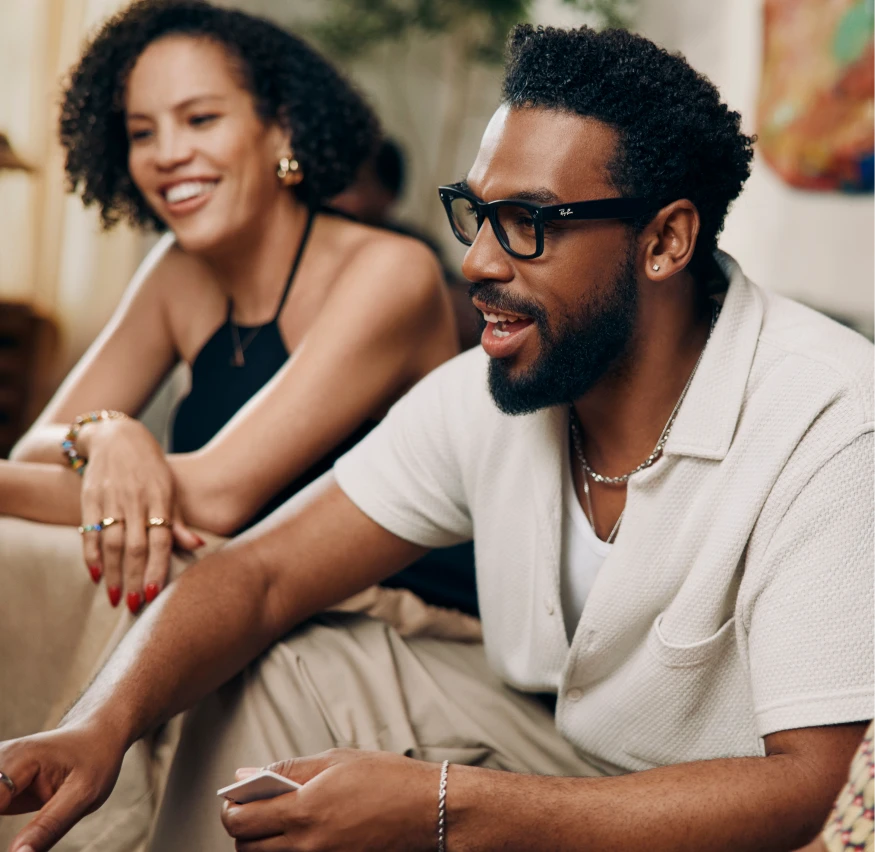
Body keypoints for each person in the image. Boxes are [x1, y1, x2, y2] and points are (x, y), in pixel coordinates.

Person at [2, 22, 875, 852]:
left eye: (528, 223)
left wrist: (449, 810)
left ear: (664, 241)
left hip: (739, 807)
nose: (478, 263)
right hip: (565, 743)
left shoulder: (830, 418)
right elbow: (259, 573)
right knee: (285, 657)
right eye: (474, 212)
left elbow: (818, 786)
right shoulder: (490, 392)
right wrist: (98, 725)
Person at [1, 0, 478, 620]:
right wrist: (107, 433)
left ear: (281, 128)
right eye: (142, 132)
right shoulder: (177, 274)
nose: (167, 153)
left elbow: (219, 495)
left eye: (200, 119)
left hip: (402, 628)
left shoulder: (393, 272)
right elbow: (34, 452)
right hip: (235, 608)